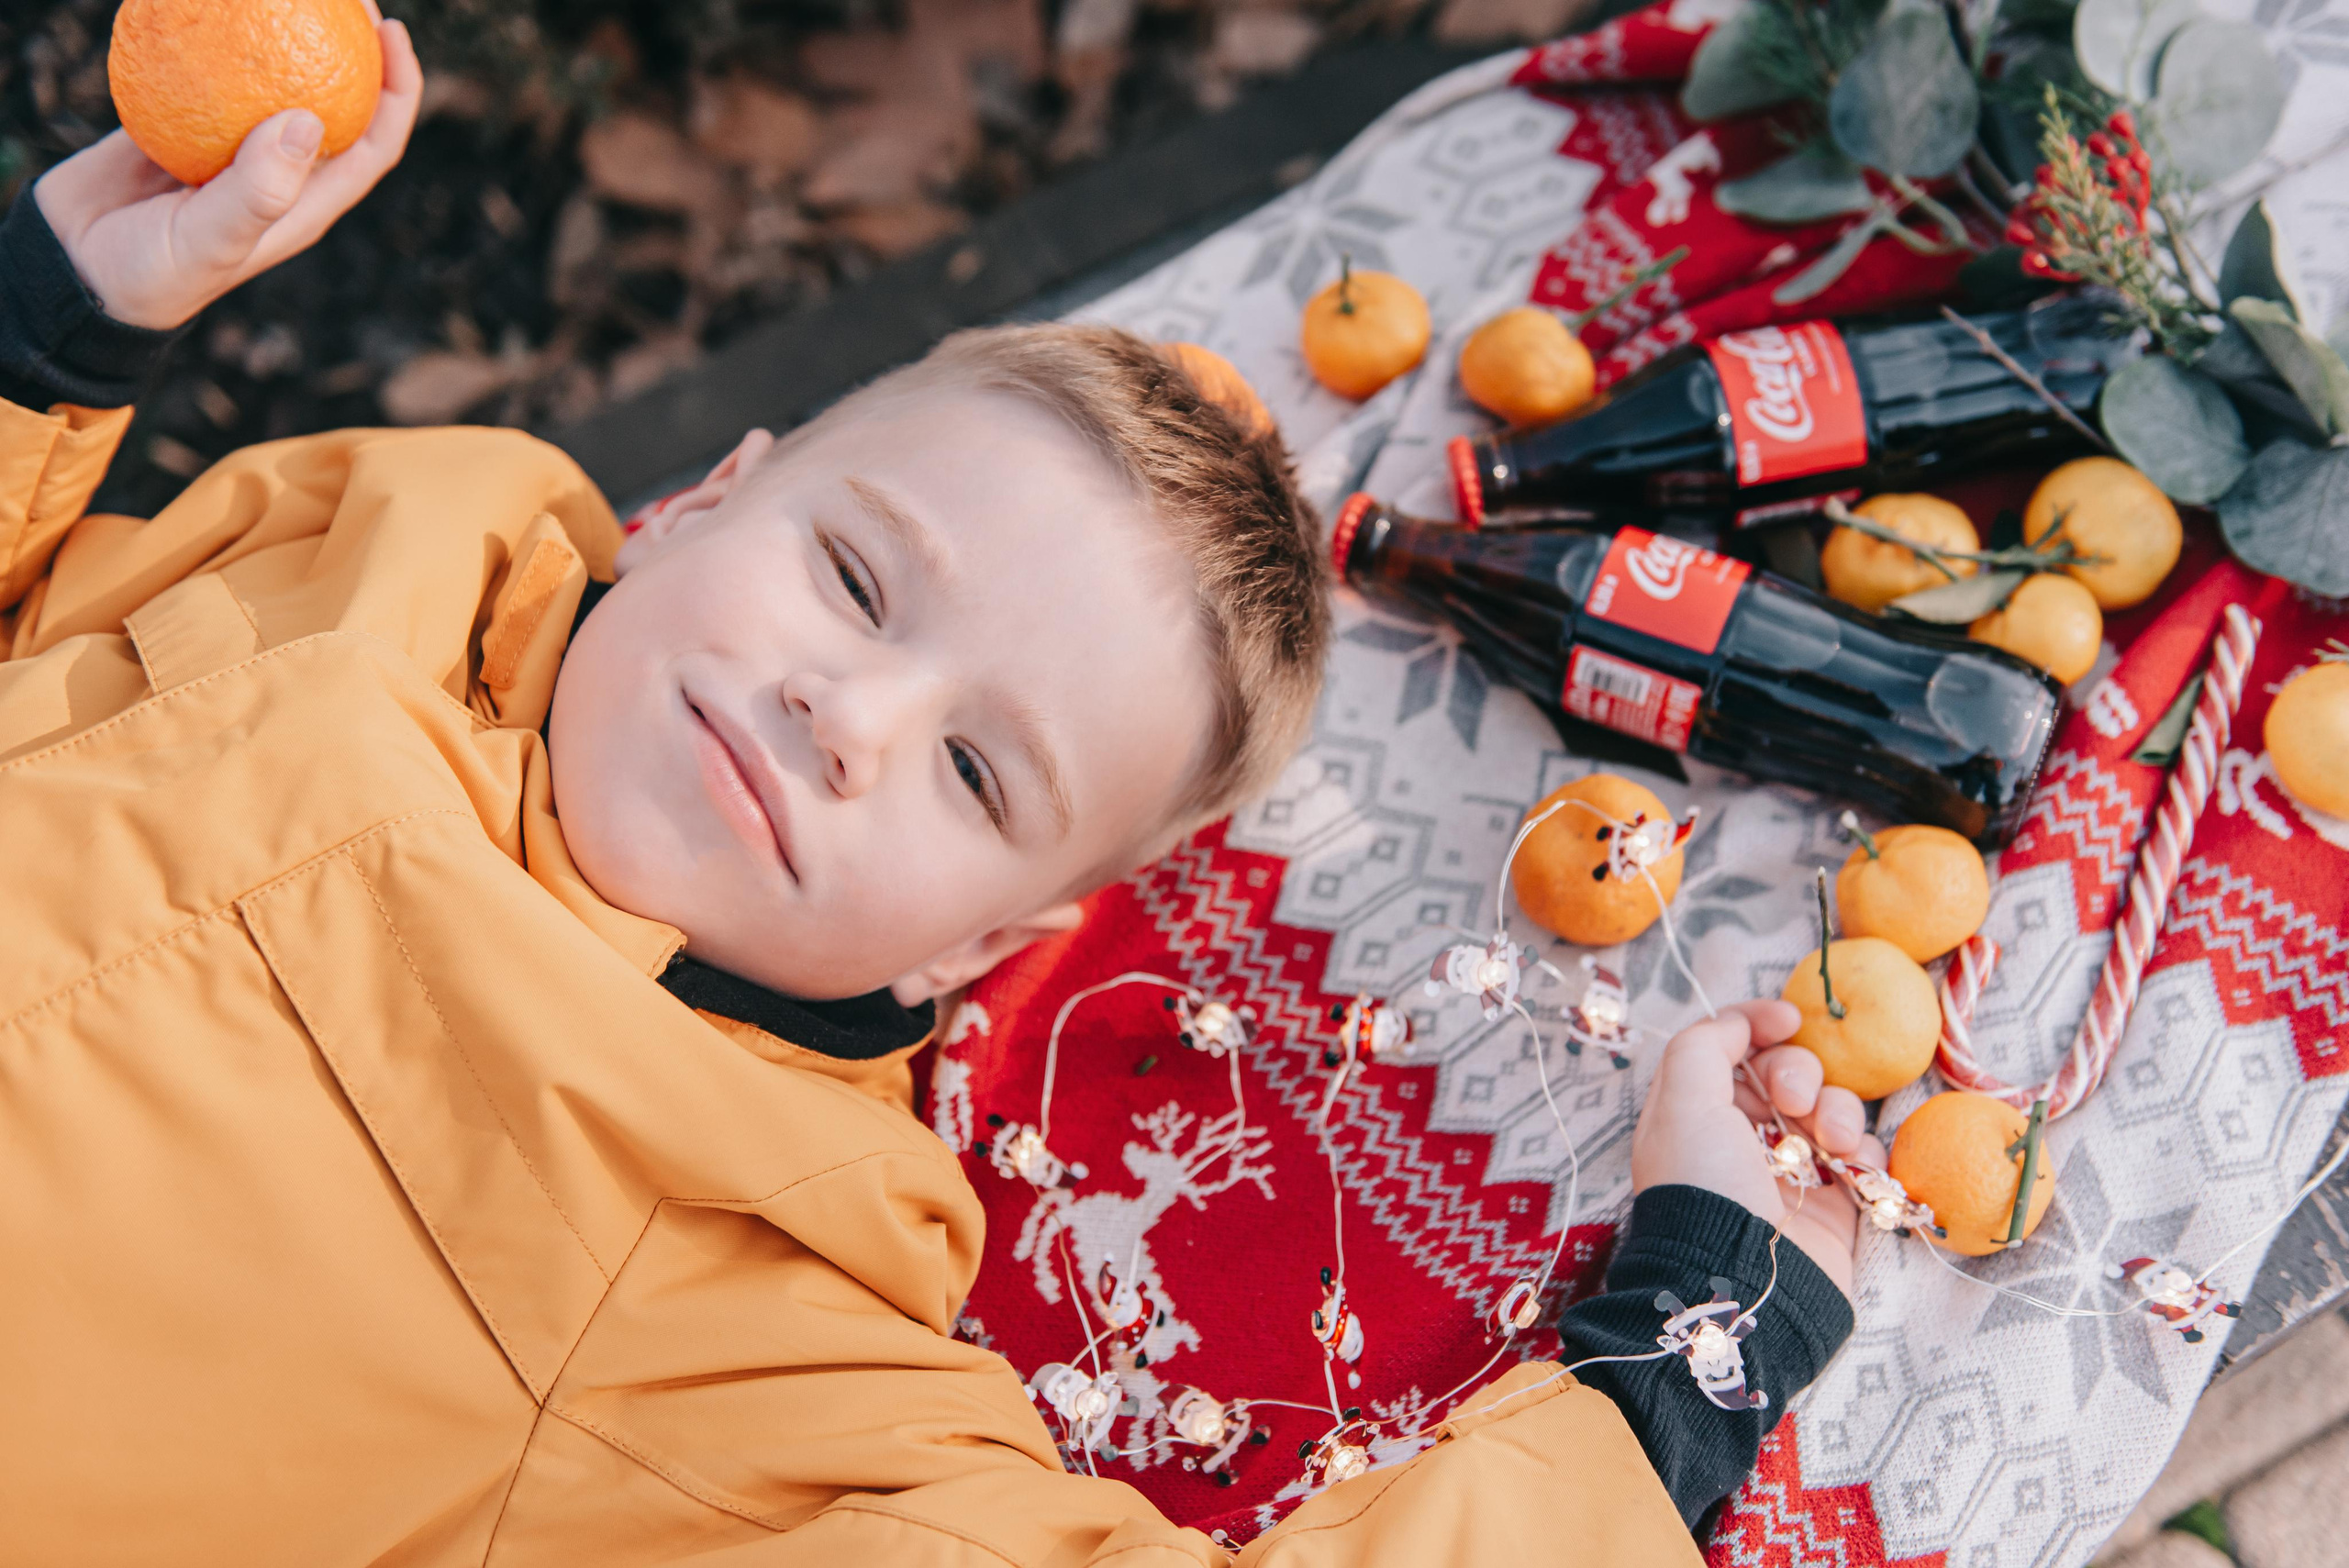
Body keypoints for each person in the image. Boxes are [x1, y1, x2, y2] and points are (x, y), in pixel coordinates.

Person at [0, 12, 1879, 1562]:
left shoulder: (738, 1327)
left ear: (984, 945)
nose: (849, 716)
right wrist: (50, 327)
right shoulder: (368, 546)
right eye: (854, 578)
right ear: (714, 493)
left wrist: (1678, 1364)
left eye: (977, 771)